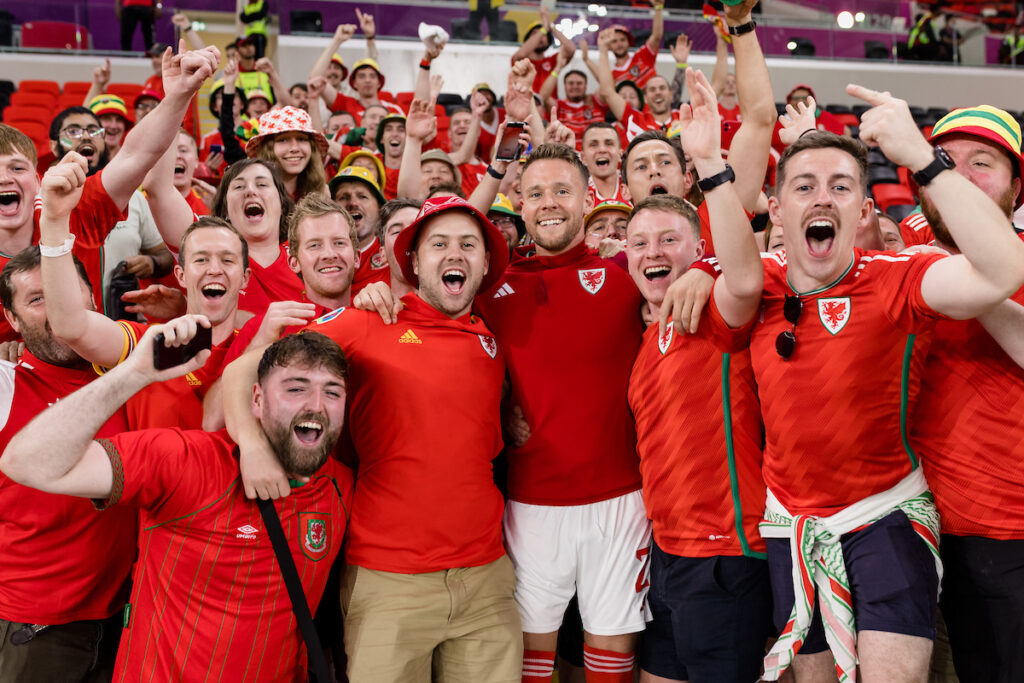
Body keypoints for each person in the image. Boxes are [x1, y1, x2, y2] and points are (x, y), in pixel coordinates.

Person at [692, 81, 1024, 682]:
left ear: (866, 211)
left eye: (841, 188)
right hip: (792, 524)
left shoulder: (903, 274)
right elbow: (737, 276)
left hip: (893, 517)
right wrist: (710, 197)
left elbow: (1002, 269)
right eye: (804, 187)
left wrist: (924, 158)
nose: (822, 199)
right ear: (777, 208)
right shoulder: (758, 281)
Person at [226, 196, 520, 682]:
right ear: (413, 262)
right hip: (389, 582)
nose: (455, 254)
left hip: (486, 579)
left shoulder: (490, 341)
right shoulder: (367, 322)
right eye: (439, 244)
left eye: (469, 245)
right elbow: (243, 374)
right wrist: (253, 447)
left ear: (485, 263)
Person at [0, 325, 354, 682]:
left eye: (332, 392)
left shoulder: (341, 485)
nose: (316, 406)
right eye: (296, 389)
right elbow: (26, 462)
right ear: (257, 400)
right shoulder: (186, 462)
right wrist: (134, 373)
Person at [905, 105, 1024, 683]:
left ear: (1016, 186)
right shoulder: (896, 258)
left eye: (984, 164)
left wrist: (960, 272)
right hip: (904, 531)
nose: (963, 178)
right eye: (947, 164)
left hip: (1007, 536)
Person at [0, 42, 219, 340]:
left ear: (37, 179)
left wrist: (178, 95)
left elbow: (134, 156)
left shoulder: (71, 210)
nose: (4, 179)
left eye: (16, 168)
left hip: (100, 368)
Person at [0, 246, 138, 682]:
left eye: (64, 290)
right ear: (14, 321)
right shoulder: (7, 386)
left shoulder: (130, 364)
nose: (57, 307)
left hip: (125, 617)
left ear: (92, 297)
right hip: (37, 629)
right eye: (37, 299)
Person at [40, 153, 249, 430]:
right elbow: (70, 326)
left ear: (245, 278)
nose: (214, 269)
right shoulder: (146, 343)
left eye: (227, 260)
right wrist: (54, 223)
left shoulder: (261, 348)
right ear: (181, 275)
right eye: (200, 259)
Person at [246, 106, 330, 201]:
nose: (294, 148)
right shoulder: (253, 195)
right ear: (267, 149)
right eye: (283, 140)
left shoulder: (321, 193)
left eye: (301, 139)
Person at [329, 166, 390, 295]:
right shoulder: (312, 255)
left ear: (380, 208)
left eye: (362, 196)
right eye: (343, 198)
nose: (353, 203)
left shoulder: (393, 257)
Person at [510, 6, 575, 93]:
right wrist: (544, 28)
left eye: (544, 34)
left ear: (549, 42)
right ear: (528, 40)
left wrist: (550, 25)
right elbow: (520, 55)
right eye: (535, 34)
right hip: (527, 104)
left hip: (550, 106)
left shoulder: (553, 61)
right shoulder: (522, 61)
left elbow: (571, 49)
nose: (540, 37)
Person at [604, 2, 664, 89]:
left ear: (629, 42)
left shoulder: (643, 56)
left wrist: (658, 8)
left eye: (623, 40)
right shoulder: (611, 76)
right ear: (609, 46)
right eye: (614, 41)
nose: (619, 44)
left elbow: (657, 36)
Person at [580, 122, 628, 206]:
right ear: (583, 157)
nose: (602, 149)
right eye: (594, 145)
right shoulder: (579, 193)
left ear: (620, 154)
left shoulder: (633, 185)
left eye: (609, 144)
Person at [87, 94, 132, 160]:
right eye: (106, 118)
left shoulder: (133, 160)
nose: (113, 126)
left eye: (119, 119)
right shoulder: (81, 161)